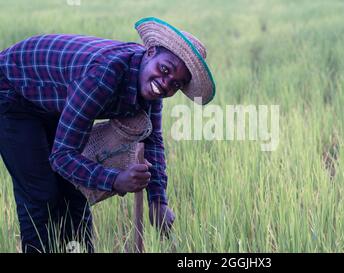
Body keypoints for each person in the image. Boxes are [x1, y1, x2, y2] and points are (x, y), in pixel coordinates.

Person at [0, 17, 215, 253]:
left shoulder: (150, 88)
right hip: (12, 90)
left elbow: (152, 140)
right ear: (150, 52)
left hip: (51, 97)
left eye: (176, 84)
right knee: (41, 195)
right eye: (165, 70)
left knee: (75, 189)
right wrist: (115, 179)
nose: (165, 84)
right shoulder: (105, 75)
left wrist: (158, 200)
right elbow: (61, 156)